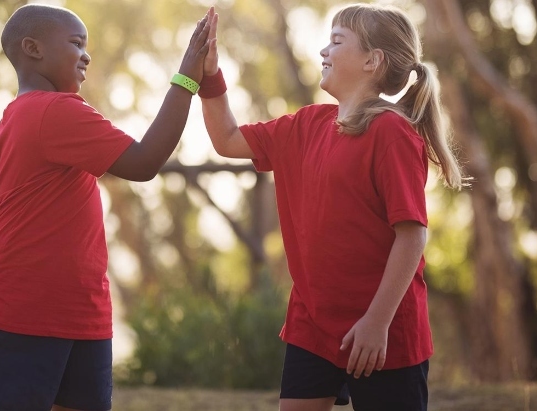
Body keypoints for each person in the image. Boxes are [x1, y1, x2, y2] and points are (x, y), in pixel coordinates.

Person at [198, 4, 467, 411]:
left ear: (372, 61)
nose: (324, 50)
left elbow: (411, 236)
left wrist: (377, 324)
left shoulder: (392, 133)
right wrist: (208, 75)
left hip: (384, 332)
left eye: (337, 41)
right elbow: (227, 138)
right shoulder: (304, 125)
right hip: (314, 325)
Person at [0, 4, 213, 411]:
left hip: (77, 316)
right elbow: (144, 163)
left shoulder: (14, 116)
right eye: (76, 43)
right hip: (18, 321)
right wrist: (186, 79)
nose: (86, 55)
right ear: (33, 49)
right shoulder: (55, 110)